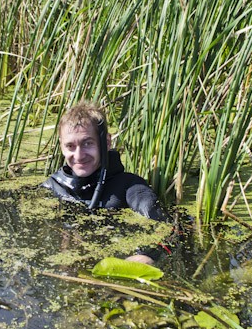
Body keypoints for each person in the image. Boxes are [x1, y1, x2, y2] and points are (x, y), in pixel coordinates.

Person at [41, 101, 171, 265]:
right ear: (62, 146)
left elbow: (164, 226)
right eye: (70, 146)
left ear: (107, 142)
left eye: (87, 143)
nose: (79, 155)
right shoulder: (53, 186)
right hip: (70, 269)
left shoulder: (129, 187)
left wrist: (146, 255)